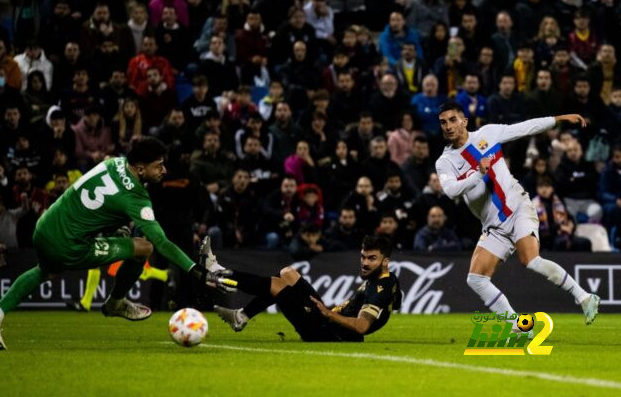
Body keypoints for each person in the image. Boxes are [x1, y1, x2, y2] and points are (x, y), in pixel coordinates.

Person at [0, 136, 238, 350]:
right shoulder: (137, 198)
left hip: (45, 227)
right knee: (144, 247)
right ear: (139, 169)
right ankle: (116, 302)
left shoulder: (113, 162)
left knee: (42, 271)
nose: (164, 171)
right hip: (68, 246)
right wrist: (197, 271)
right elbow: (161, 242)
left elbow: (99, 201)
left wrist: (116, 224)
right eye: (158, 166)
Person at [435, 100, 599, 329]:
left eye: (453, 120)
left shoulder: (488, 134)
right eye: (443, 122)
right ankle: (518, 325)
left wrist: (558, 119)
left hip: (517, 206)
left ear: (464, 120)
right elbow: (451, 189)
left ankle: (584, 297)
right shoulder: (445, 162)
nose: (448, 126)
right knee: (475, 279)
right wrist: (478, 173)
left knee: (530, 260)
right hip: (494, 225)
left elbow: (524, 127)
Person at [214, 235, 401, 342]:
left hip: (329, 332)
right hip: (328, 320)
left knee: (278, 285)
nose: (364, 263)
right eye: (363, 257)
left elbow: (361, 327)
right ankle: (241, 316)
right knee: (287, 273)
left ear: (385, 261)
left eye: (371, 259)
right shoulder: (389, 280)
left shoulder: (380, 289)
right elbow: (397, 301)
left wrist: (329, 315)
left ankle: (223, 273)